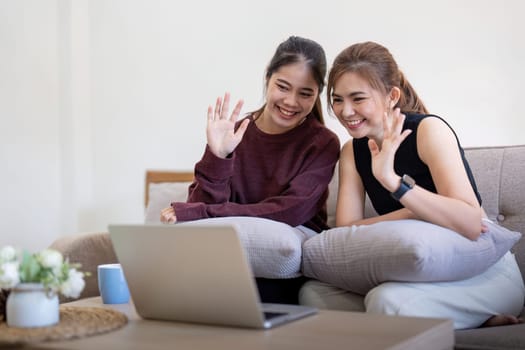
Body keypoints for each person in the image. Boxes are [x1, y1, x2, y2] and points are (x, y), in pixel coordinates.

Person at [299, 41, 524, 329]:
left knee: (387, 301)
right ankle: (460, 318)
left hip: (485, 273)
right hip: (420, 275)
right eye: (338, 99)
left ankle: (475, 313)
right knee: (313, 296)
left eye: (357, 98)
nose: (345, 111)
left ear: (392, 95)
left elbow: (471, 220)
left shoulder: (429, 131)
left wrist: (393, 182)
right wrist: (413, 213)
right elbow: (346, 228)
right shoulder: (352, 151)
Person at [160, 36, 341, 303]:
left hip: (279, 272)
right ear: (268, 78)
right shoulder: (234, 132)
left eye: (305, 93)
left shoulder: (322, 142)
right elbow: (200, 215)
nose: (291, 102)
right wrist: (218, 155)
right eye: (283, 87)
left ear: (317, 95)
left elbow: (291, 210)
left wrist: (202, 211)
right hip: (226, 256)